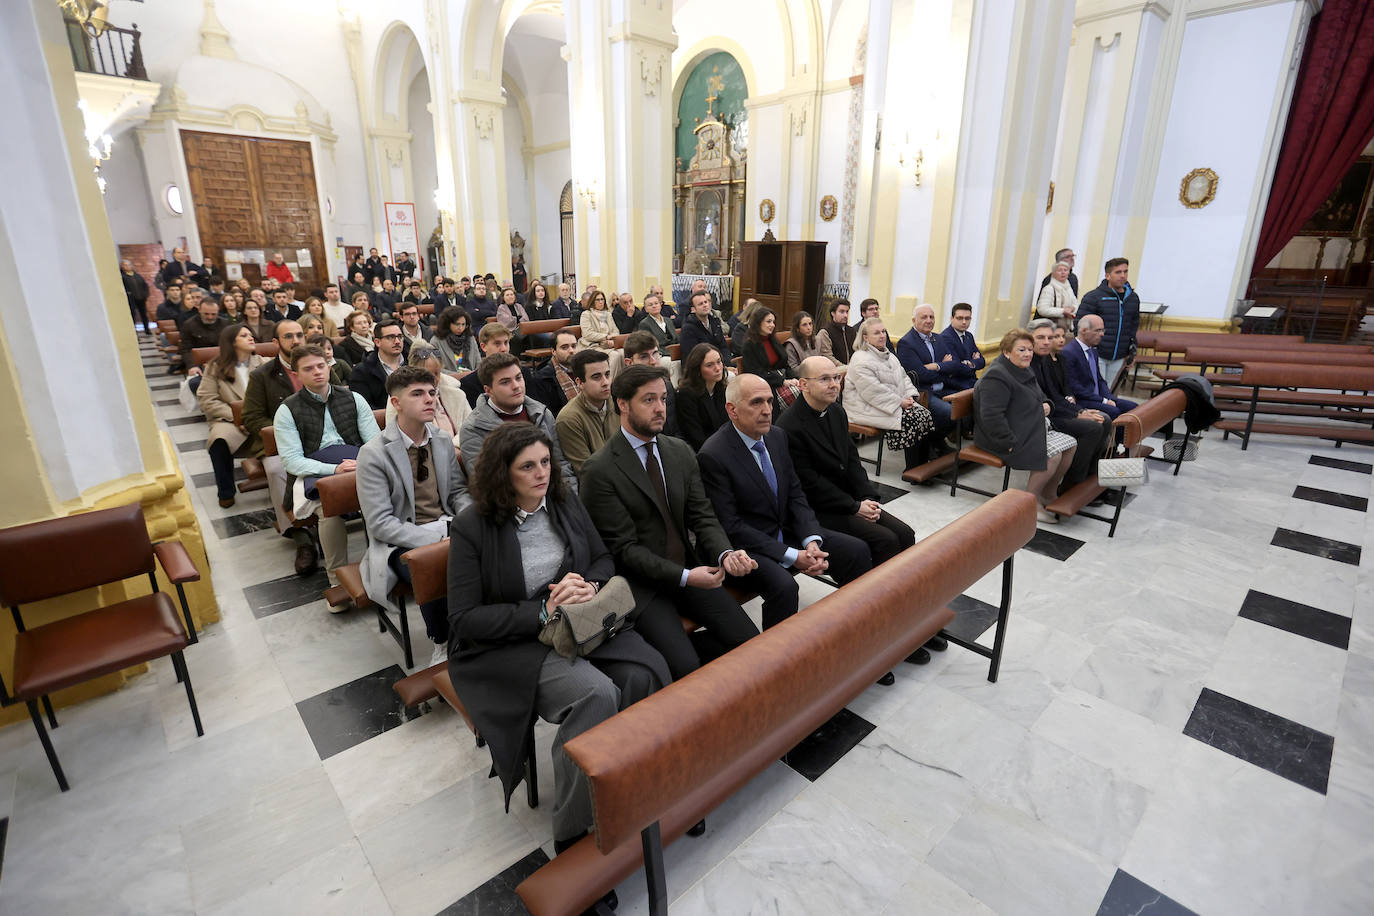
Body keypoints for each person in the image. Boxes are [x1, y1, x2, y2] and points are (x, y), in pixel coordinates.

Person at [448, 422, 668, 862]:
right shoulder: (474, 524)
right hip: (514, 643)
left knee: (646, 673)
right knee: (596, 695)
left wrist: (588, 584)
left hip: (577, 624)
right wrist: (542, 611)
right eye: (527, 466)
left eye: (545, 462)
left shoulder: (564, 502)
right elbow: (464, 619)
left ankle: (627, 786)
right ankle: (572, 831)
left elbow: (603, 557)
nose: (541, 473)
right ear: (502, 473)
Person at [579, 365, 760, 678]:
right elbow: (625, 550)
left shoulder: (678, 451)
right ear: (622, 404)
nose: (660, 408)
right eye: (648, 400)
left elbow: (702, 514)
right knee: (684, 666)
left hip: (690, 569)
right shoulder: (600, 469)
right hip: (643, 586)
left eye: (663, 398)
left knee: (750, 642)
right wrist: (687, 576)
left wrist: (725, 553)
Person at [778, 356, 944, 663]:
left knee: (905, 534)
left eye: (835, 377)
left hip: (848, 500)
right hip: (819, 509)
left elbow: (852, 462)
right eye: (824, 379)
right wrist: (854, 506)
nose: (834, 384)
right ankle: (883, 630)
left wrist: (869, 498)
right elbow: (808, 483)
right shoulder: (788, 427)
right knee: (884, 541)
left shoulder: (837, 412)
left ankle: (909, 618)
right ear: (803, 385)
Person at [698, 373, 872, 630]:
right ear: (732, 410)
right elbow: (731, 525)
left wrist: (811, 540)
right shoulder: (713, 455)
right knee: (784, 586)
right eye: (756, 403)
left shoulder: (777, 437)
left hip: (785, 530)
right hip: (746, 546)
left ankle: (856, 631)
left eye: (770, 401)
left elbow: (795, 494)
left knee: (856, 550)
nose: (768, 410)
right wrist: (792, 556)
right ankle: (779, 663)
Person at [358, 366, 470, 661]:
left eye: (432, 393)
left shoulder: (442, 440)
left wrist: (467, 522)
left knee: (490, 547)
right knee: (434, 564)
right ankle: (442, 640)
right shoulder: (373, 453)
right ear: (396, 403)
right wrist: (431, 538)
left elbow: (458, 493)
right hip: (401, 541)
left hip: (447, 528)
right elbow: (381, 524)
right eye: (417, 394)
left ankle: (476, 629)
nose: (429, 399)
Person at [274, 343, 382, 591]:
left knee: (386, 495)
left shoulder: (353, 398)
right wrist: (334, 470)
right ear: (297, 374)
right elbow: (292, 461)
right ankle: (337, 580)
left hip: (357, 464)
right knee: (328, 510)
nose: (317, 372)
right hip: (316, 472)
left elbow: (375, 443)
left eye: (321, 365)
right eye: (308, 368)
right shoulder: (287, 410)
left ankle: (386, 564)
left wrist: (361, 463)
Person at [973, 329, 1077, 524]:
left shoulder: (1022, 367)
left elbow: (1040, 394)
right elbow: (991, 416)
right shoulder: (996, 376)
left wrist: (1048, 404)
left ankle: (1048, 493)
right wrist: (1008, 442)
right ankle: (1031, 502)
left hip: (1026, 426)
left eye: (1030, 349)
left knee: (1070, 444)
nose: (1028, 354)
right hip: (1001, 437)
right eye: (1021, 349)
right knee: (1052, 454)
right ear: (1006, 352)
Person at [458, 352, 576, 488]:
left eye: (518, 378)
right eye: (505, 382)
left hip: (554, 497)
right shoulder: (473, 428)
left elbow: (561, 466)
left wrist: (570, 501)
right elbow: (486, 484)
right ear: (488, 390)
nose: (516, 386)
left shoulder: (542, 413)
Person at [846, 317, 940, 470]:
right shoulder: (860, 359)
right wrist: (900, 402)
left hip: (886, 403)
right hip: (863, 406)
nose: (882, 335)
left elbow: (904, 378)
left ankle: (923, 465)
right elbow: (873, 392)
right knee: (911, 419)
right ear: (865, 337)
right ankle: (912, 468)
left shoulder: (888, 355)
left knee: (924, 414)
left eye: (883, 331)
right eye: (876, 333)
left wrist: (910, 395)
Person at [1028, 319, 1112, 489]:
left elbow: (1056, 395)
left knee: (1104, 420)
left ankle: (1090, 473)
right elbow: (1046, 400)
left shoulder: (1045, 360)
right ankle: (1072, 483)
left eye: (1050, 337)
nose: (1047, 342)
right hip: (1044, 418)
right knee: (1092, 427)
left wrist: (1079, 410)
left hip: (1053, 410)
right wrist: (1077, 414)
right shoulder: (1031, 362)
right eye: (1041, 338)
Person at [198, 325, 266, 507]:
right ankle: (226, 491)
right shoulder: (215, 366)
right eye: (244, 335)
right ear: (231, 342)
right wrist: (238, 417)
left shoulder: (262, 362)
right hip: (229, 420)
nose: (251, 338)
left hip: (261, 416)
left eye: (251, 335)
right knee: (218, 441)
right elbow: (207, 400)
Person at [387, 344, 471, 450]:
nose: (433, 379)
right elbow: (395, 436)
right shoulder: (400, 397)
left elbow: (469, 428)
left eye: (436, 373)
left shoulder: (456, 394)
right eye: (427, 373)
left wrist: (453, 446)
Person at [1077, 257, 1140, 389]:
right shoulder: (1094, 297)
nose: (1123, 276)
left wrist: (1132, 350)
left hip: (1120, 355)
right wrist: (1085, 349)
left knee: (1108, 391)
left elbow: (1133, 326)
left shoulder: (1133, 298)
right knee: (1094, 390)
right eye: (1118, 272)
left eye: (1125, 271)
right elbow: (1079, 323)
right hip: (1096, 352)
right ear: (1107, 275)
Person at [1061, 314, 1138, 421]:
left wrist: (1109, 398)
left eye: (1103, 330)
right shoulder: (1069, 352)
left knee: (1133, 407)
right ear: (1084, 330)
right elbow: (1074, 387)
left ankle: (1126, 437)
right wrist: (1104, 401)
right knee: (1114, 411)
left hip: (1096, 398)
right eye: (1098, 330)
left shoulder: (1093, 351)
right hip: (1082, 399)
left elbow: (1100, 380)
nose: (1102, 334)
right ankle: (1115, 438)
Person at [896, 303, 956, 438]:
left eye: (932, 317)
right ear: (914, 320)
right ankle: (935, 442)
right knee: (950, 413)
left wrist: (935, 366)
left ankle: (936, 441)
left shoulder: (938, 338)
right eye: (924, 317)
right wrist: (942, 366)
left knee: (970, 405)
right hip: (923, 392)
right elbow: (920, 375)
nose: (929, 320)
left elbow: (953, 365)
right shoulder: (906, 343)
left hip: (944, 388)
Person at [554, 349, 617, 475]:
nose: (605, 382)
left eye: (607, 374)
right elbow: (586, 470)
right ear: (579, 383)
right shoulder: (569, 419)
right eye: (596, 377)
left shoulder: (621, 403)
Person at [622, 332, 680, 436]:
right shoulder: (622, 392)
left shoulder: (667, 385)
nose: (653, 361)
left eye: (655, 354)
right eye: (644, 357)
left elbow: (675, 429)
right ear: (629, 362)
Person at [676, 342, 729, 451]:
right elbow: (695, 436)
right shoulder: (686, 395)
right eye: (710, 365)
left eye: (719, 362)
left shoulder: (721, 389)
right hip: (705, 451)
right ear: (697, 369)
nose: (718, 368)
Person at [459, 323, 528, 407]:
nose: (503, 349)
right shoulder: (470, 383)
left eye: (506, 343)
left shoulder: (524, 373)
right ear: (483, 347)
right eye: (497, 344)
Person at [178, 294, 230, 377]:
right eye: (206, 314)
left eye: (213, 314)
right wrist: (192, 366)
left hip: (221, 361)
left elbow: (230, 346)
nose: (210, 317)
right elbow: (185, 349)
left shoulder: (225, 324)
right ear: (199, 310)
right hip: (198, 363)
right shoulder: (189, 325)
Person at [937, 302, 985, 391]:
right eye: (959, 318)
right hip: (955, 384)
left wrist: (967, 363)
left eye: (967, 318)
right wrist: (973, 362)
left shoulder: (969, 336)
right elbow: (956, 367)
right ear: (952, 319)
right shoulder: (945, 337)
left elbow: (982, 361)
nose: (964, 322)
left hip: (971, 381)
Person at [532, 329, 581, 415]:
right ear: (553, 351)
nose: (571, 351)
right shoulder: (543, 378)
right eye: (564, 347)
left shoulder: (585, 369)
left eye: (574, 346)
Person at [679, 290, 728, 364]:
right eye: (700, 304)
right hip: (699, 367)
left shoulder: (715, 322)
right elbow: (693, 356)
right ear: (693, 309)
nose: (705, 305)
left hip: (718, 364)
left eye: (706, 302)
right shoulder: (688, 328)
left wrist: (727, 364)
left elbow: (723, 347)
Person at [432, 305, 481, 375]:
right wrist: (458, 375)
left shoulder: (470, 338)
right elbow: (436, 368)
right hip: (448, 381)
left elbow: (478, 362)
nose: (460, 328)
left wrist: (472, 374)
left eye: (463, 324)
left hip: (471, 379)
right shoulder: (436, 341)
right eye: (457, 324)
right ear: (448, 323)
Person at [1034, 261, 1078, 332]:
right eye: (1060, 270)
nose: (1063, 272)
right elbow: (1042, 309)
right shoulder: (1049, 288)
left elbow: (1075, 304)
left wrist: (1072, 309)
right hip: (1051, 328)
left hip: (1066, 328)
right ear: (1053, 273)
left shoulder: (1069, 289)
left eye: (1065, 270)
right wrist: (1063, 311)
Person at [121, 259, 151, 334]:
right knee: (132, 315)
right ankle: (134, 332)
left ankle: (147, 329)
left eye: (129, 265)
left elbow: (144, 285)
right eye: (125, 265)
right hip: (131, 299)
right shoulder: (122, 277)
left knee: (144, 314)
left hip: (141, 298)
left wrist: (145, 294)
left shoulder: (137, 275)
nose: (127, 266)